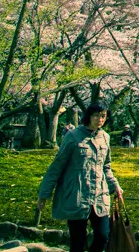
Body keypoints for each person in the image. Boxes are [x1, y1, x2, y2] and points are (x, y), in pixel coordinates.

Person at [37, 102, 124, 252]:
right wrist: (44, 194)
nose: (100, 119)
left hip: (99, 196)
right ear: (89, 116)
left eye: (103, 116)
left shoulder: (105, 138)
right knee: (78, 241)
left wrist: (115, 186)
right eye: (96, 115)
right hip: (77, 196)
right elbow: (57, 166)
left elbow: (106, 167)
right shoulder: (73, 136)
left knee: (103, 236)